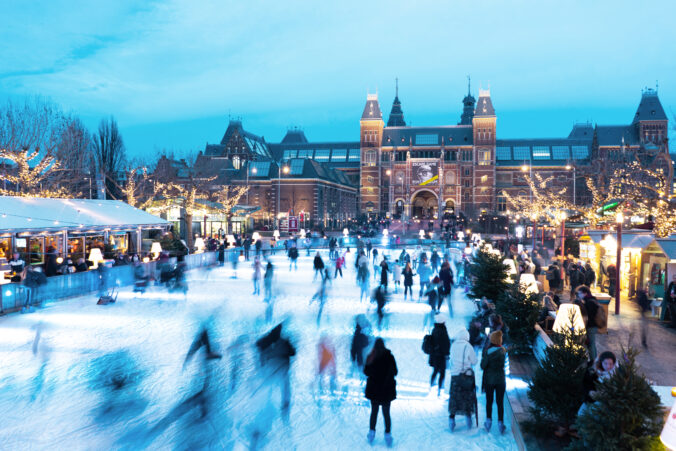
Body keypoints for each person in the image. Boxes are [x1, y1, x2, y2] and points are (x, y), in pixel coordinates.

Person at [364, 338, 397, 447]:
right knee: (386, 413)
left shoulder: (371, 356)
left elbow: (366, 371)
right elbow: (395, 371)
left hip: (374, 391)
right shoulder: (389, 356)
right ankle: (388, 434)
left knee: (374, 412)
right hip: (386, 390)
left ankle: (372, 432)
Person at [448, 327, 477, 431]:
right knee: (467, 397)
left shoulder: (453, 346)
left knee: (454, 398)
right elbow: (474, 361)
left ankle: (451, 419)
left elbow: (451, 360)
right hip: (466, 376)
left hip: (455, 376)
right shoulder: (468, 346)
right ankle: (468, 418)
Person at [481, 330, 507, 434]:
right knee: (500, 402)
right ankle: (501, 424)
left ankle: (488, 422)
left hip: (489, 380)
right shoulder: (503, 350)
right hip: (500, 379)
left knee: (489, 401)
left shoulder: (488, 352)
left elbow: (482, 366)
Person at [575, 285, 600, 361]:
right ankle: (593, 360)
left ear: (585, 293)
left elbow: (588, 315)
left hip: (591, 326)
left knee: (591, 344)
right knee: (591, 344)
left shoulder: (589, 302)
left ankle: (594, 361)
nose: (578, 295)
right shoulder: (592, 300)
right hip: (593, 325)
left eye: (579, 293)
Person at [429, 313, 451, 396]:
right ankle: (440, 389)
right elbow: (445, 343)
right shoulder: (442, 330)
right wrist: (447, 353)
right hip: (441, 355)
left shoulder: (435, 329)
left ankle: (432, 386)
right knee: (442, 372)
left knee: (435, 371)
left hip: (435, 355)